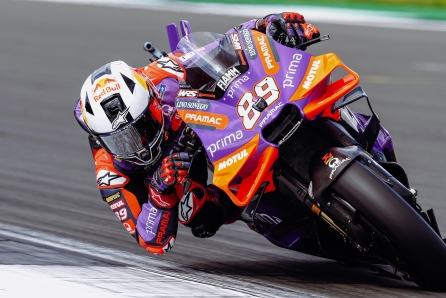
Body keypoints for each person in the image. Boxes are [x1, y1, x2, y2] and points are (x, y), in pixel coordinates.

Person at [74, 13, 320, 255]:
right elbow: (154, 242)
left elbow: (227, 43)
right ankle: (263, 208)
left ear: (153, 102)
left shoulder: (161, 75)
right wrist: (160, 191)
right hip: (178, 168)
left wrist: (267, 25)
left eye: (141, 127)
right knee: (197, 215)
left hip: (211, 121)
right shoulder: (110, 172)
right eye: (118, 140)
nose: (137, 145)